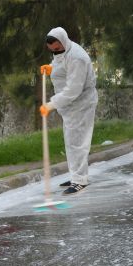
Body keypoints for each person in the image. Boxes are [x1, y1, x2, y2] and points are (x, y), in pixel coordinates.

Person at [39, 27, 98, 195]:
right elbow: (60, 62)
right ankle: (76, 176)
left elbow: (73, 89)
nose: (55, 53)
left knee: (78, 143)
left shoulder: (77, 57)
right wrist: (50, 67)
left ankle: (80, 180)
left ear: (63, 42)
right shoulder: (64, 51)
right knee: (71, 142)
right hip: (69, 107)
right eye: (52, 51)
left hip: (81, 104)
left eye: (57, 49)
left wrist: (51, 104)